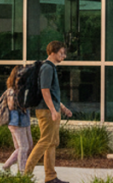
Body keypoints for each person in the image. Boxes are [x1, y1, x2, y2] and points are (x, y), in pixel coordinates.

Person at [24, 41, 73, 183]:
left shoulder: (50, 68)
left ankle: (51, 177)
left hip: (51, 109)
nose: (64, 56)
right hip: (46, 111)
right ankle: (26, 175)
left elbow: (51, 92)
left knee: (52, 142)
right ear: (52, 52)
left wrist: (62, 107)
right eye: (61, 53)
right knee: (44, 142)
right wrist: (53, 110)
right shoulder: (47, 68)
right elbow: (44, 91)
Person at [2, 65, 33, 173]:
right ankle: (21, 172)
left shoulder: (23, 89)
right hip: (16, 122)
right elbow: (12, 106)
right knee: (23, 148)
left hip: (24, 121)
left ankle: (7, 165)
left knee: (27, 147)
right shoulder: (12, 90)